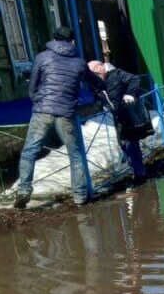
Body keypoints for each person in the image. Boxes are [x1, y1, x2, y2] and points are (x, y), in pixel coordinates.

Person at [15, 26, 105, 209]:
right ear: (72, 41)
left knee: (29, 151)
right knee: (76, 154)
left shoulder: (42, 57)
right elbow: (96, 83)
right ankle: (80, 197)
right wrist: (103, 84)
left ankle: (24, 190)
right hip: (66, 113)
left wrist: (39, 102)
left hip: (42, 111)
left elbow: (32, 87)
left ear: (53, 39)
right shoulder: (79, 63)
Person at [88, 60, 147, 183]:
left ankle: (139, 173)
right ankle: (136, 170)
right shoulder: (96, 83)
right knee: (123, 144)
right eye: (93, 75)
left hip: (129, 113)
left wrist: (129, 94)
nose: (96, 76)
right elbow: (99, 96)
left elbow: (135, 79)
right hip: (117, 116)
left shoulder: (117, 74)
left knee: (131, 143)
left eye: (96, 73)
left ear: (101, 68)